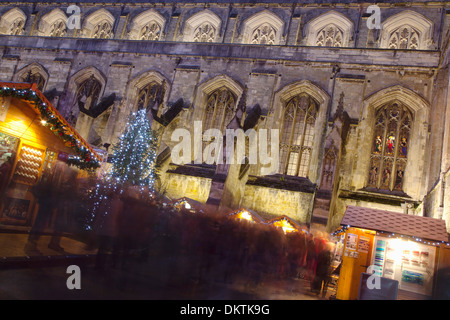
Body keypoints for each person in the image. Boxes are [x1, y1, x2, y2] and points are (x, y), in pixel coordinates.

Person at [24, 177, 56, 255]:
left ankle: (31, 243)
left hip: (44, 203)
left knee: (39, 223)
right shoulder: (50, 181)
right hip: (46, 204)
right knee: (39, 224)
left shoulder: (48, 180)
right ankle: (31, 244)